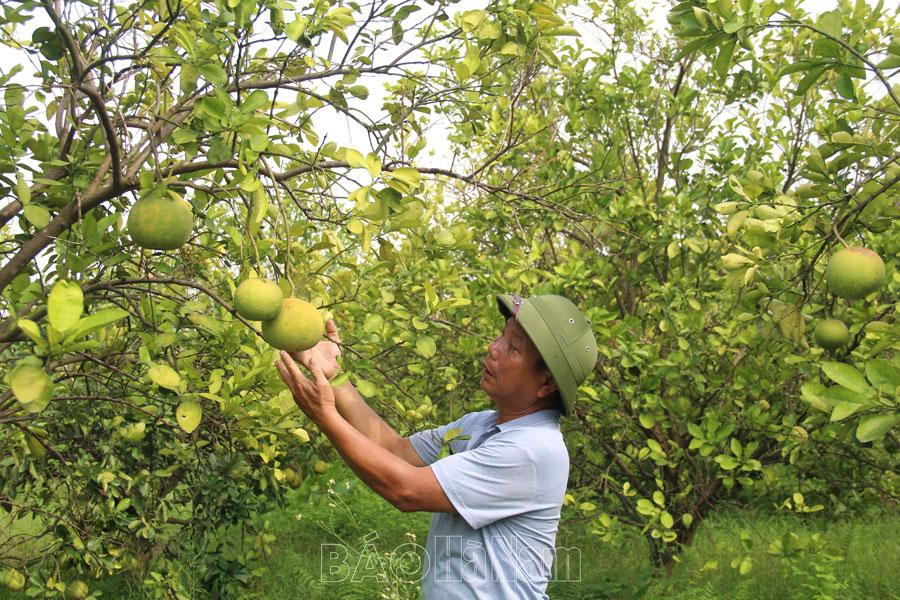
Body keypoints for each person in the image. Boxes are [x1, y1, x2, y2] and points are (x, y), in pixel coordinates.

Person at [275, 293, 597, 599]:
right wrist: (335, 377)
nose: (493, 348)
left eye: (513, 348)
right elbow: (396, 450)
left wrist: (325, 416)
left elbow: (406, 490)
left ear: (547, 384)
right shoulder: (481, 424)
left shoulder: (533, 450)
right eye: (502, 335)